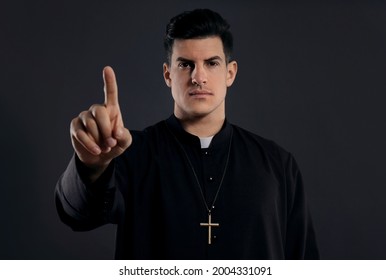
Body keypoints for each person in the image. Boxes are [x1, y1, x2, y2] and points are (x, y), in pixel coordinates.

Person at [55, 8, 319, 259]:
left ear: (230, 73)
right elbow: (76, 214)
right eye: (185, 64)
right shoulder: (130, 153)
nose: (198, 77)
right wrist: (93, 165)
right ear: (168, 75)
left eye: (212, 63)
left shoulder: (277, 165)